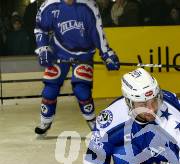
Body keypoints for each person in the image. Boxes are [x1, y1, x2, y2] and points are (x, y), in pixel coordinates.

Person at [34, 0, 120, 135]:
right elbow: (40, 28)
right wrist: (43, 48)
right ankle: (45, 121)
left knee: (82, 90)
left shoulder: (88, 5)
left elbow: (97, 32)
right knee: (49, 90)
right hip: (59, 52)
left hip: (84, 55)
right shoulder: (50, 5)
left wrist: (106, 54)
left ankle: (92, 121)